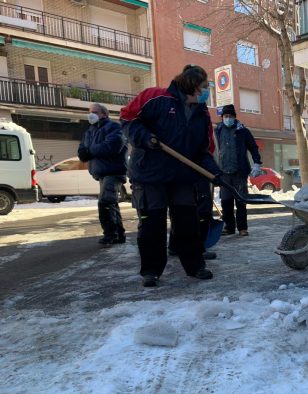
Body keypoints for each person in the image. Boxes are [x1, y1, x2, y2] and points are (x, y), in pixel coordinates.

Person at [120, 64, 222, 287]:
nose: (207, 92)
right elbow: (127, 118)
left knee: (188, 223)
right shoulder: (155, 98)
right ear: (193, 85)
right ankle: (151, 270)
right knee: (152, 225)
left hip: (182, 176)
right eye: (205, 87)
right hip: (151, 174)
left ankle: (195, 266)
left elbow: (201, 151)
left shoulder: (201, 113)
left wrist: (215, 173)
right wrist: (145, 137)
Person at [77, 103, 127, 247]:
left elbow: (113, 145)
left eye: (95, 112)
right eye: (89, 111)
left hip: (114, 171)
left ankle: (110, 234)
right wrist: (83, 153)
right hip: (101, 172)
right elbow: (82, 149)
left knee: (105, 202)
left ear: (104, 114)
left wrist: (90, 151)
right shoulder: (89, 131)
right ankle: (118, 234)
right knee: (111, 203)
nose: (91, 114)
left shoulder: (114, 127)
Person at [215, 104, 262, 236]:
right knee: (226, 202)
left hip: (239, 173)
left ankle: (242, 228)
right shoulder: (218, 131)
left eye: (230, 116)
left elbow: (253, 147)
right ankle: (229, 227)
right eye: (225, 116)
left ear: (235, 117)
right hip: (223, 173)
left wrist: (257, 163)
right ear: (222, 117)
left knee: (241, 201)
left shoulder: (243, 131)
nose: (228, 118)